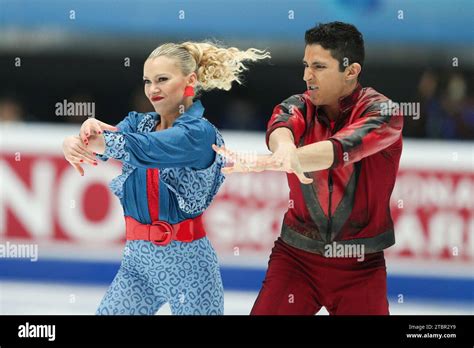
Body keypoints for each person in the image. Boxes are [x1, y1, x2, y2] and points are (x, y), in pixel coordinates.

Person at [62, 41, 270, 315]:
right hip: (137, 266)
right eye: (148, 81)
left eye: (162, 79)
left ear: (190, 81)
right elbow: (101, 147)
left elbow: (146, 149)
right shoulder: (139, 123)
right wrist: (74, 142)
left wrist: (103, 141)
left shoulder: (199, 134)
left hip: (189, 269)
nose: (152, 89)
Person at [214, 22, 404, 315]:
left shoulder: (384, 113)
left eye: (318, 66)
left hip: (361, 267)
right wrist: (284, 150)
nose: (307, 76)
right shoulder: (297, 106)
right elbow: (280, 129)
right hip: (295, 261)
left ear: (351, 71)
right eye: (305, 65)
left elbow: (340, 150)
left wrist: (275, 161)